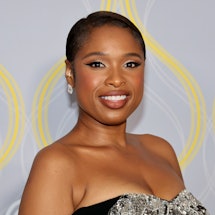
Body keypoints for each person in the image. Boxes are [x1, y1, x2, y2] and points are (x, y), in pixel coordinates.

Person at [18, 11, 209, 215]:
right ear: (70, 73)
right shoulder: (56, 164)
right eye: (97, 64)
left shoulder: (161, 150)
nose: (117, 79)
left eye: (131, 64)